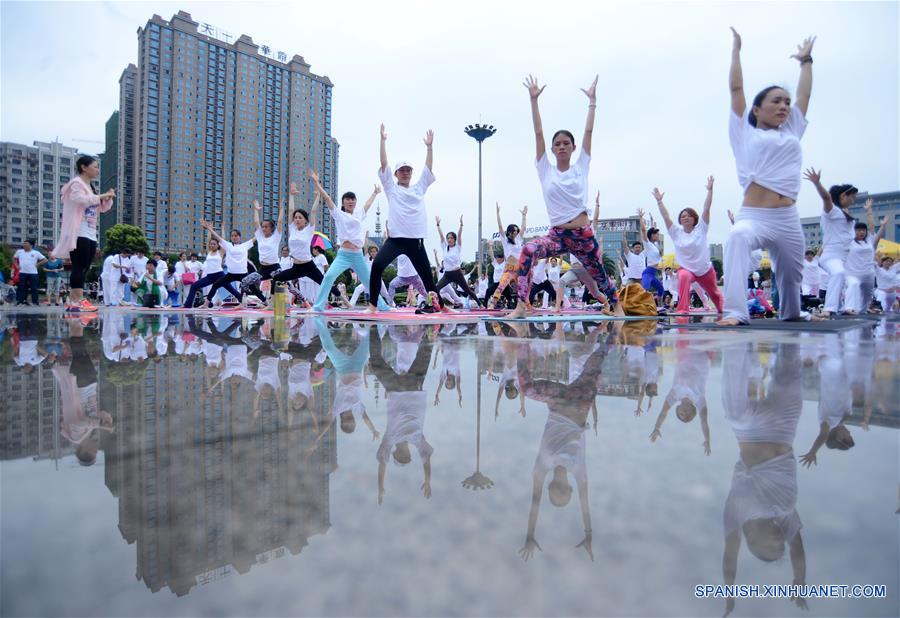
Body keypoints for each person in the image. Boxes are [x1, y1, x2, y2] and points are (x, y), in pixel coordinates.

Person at [718, 28, 815, 325]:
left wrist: (806, 61)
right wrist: (736, 50)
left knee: (790, 277)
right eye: (776, 101)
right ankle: (736, 312)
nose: (784, 106)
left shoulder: (792, 131)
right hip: (754, 215)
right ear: (758, 109)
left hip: (787, 217)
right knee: (737, 236)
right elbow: (736, 90)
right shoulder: (744, 133)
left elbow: (804, 94)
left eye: (786, 102)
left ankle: (792, 311)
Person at [507, 75, 620, 318]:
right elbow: (538, 133)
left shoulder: (581, 166)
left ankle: (616, 303)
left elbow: (589, 130)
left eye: (566, 143)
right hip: (557, 235)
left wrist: (592, 102)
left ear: (573, 147)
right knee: (528, 250)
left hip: (582, 234)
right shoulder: (545, 169)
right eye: (557, 143)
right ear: (552, 148)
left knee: (599, 273)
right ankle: (520, 306)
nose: (561, 146)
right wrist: (533, 100)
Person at [368, 124, 444, 313]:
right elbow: (384, 164)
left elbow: (428, 168)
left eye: (408, 170)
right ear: (396, 174)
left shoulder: (419, 188)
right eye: (402, 170)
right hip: (395, 240)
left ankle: (440, 306)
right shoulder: (391, 189)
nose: (405, 172)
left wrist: (429, 147)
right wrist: (383, 141)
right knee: (377, 266)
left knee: (427, 277)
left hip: (416, 242)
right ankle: (372, 307)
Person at [309, 177, 390, 311]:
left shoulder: (359, 214)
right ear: (343, 202)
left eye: (352, 199)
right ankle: (317, 307)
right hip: (344, 255)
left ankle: (382, 306)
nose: (350, 201)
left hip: (357, 255)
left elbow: (367, 206)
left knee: (368, 282)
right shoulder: (338, 214)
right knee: (329, 276)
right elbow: (328, 199)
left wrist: (375, 193)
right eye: (347, 199)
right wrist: (317, 184)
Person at [652, 177, 723, 314]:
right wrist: (660, 202)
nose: (686, 217)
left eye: (689, 215)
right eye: (683, 216)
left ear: (694, 218)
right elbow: (666, 217)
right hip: (687, 270)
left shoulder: (701, 229)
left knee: (716, 296)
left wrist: (710, 190)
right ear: (680, 219)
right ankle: (683, 310)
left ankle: (721, 310)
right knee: (683, 276)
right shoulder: (676, 232)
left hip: (705, 271)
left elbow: (706, 209)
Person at [52, 155, 114, 312]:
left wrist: (107, 198)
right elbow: (80, 200)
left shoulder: (90, 187)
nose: (97, 170)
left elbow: (99, 208)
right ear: (83, 167)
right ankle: (77, 300)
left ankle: (73, 300)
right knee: (79, 266)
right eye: (95, 166)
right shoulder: (76, 184)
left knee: (85, 266)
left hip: (91, 232)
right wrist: (101, 196)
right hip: (78, 230)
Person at [803, 169, 856, 316]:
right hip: (831, 255)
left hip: (845, 256)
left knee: (853, 281)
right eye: (852, 196)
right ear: (843, 196)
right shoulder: (832, 211)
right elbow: (826, 198)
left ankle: (844, 307)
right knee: (838, 273)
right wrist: (817, 183)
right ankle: (829, 308)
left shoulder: (846, 216)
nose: (854, 200)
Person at [271, 175, 327, 297]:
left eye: (300, 217)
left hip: (308, 265)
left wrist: (318, 195)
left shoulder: (309, 229)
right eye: (296, 217)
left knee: (324, 283)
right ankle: (271, 302)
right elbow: (291, 209)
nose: (297, 219)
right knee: (277, 278)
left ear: (305, 220)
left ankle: (345, 301)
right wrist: (291, 195)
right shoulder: (292, 228)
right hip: (296, 266)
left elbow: (313, 212)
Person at [200, 221, 266, 308]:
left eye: (236, 236)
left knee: (253, 288)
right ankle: (206, 304)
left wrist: (262, 229)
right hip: (231, 274)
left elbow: (256, 237)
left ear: (239, 237)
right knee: (216, 285)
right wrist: (209, 228)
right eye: (232, 236)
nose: (234, 237)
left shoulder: (245, 245)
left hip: (243, 274)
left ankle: (265, 302)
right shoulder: (227, 245)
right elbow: (217, 237)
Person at [843, 206, 888, 314]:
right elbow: (847, 224)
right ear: (854, 231)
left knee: (867, 295)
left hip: (868, 274)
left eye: (863, 230)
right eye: (858, 230)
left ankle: (861, 311)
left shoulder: (869, 241)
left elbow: (872, 227)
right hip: (853, 273)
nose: (861, 232)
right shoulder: (850, 241)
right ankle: (849, 308)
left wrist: (869, 211)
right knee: (853, 285)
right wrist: (845, 209)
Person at [488, 202, 528, 309]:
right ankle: (493, 304)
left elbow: (523, 227)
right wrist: (497, 214)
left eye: (517, 230)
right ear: (510, 232)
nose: (517, 232)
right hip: (509, 269)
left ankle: (524, 306)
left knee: (522, 287)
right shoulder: (505, 241)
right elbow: (500, 227)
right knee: (501, 286)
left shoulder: (519, 239)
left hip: (519, 269)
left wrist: (524, 216)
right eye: (515, 230)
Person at [435, 215, 480, 306]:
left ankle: (480, 304)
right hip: (447, 275)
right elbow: (441, 236)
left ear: (455, 240)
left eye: (451, 238)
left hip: (457, 273)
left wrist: (461, 225)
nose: (449, 239)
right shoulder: (444, 247)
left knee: (467, 290)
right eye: (448, 238)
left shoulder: (457, 247)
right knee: (436, 288)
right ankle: (440, 305)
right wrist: (438, 225)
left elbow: (459, 235)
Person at [252, 197, 284, 291]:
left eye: (266, 227)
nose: (263, 228)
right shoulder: (260, 236)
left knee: (285, 284)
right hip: (263, 268)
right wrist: (256, 210)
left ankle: (304, 301)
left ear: (271, 228)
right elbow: (256, 222)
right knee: (246, 282)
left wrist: (281, 208)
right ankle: (264, 301)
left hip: (274, 267)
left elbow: (280, 222)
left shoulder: (276, 236)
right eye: (263, 227)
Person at [638, 209, 665, 299]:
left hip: (654, 273)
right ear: (652, 236)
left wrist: (652, 221)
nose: (658, 236)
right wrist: (641, 218)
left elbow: (652, 230)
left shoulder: (655, 245)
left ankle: (659, 306)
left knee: (661, 289)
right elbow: (644, 230)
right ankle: (640, 306)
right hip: (647, 273)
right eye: (656, 234)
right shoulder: (647, 244)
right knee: (644, 290)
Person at [14, 239, 47, 305]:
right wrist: (16, 265)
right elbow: (14, 258)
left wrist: (38, 264)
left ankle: (35, 302)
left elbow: (45, 259)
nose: (24, 245)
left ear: (31, 245)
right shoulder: (19, 251)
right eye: (24, 243)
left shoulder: (36, 253)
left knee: (34, 288)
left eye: (26, 243)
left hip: (33, 273)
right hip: (22, 272)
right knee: (22, 287)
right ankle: (20, 301)